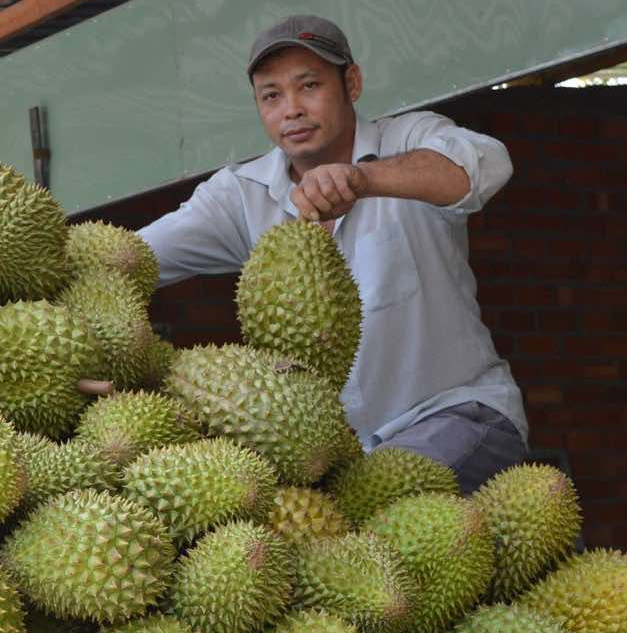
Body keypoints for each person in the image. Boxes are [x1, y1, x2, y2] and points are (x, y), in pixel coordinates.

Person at [136, 15, 527, 494]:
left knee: (366, 511)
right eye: (271, 96)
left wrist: (363, 179)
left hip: (458, 415)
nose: (292, 110)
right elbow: (134, 255)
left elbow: (486, 165)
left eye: (309, 86)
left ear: (352, 83)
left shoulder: (408, 140)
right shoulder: (242, 195)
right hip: (343, 459)